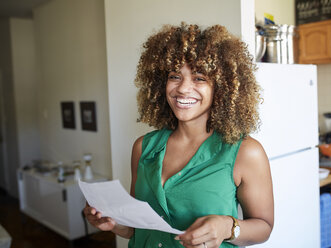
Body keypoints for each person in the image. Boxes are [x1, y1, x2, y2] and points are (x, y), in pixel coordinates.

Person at [83, 23, 274, 248]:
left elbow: (264, 227)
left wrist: (227, 227)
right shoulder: (143, 147)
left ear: (222, 88)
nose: (183, 89)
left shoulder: (245, 152)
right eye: (175, 76)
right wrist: (112, 223)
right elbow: (139, 228)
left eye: (199, 78)